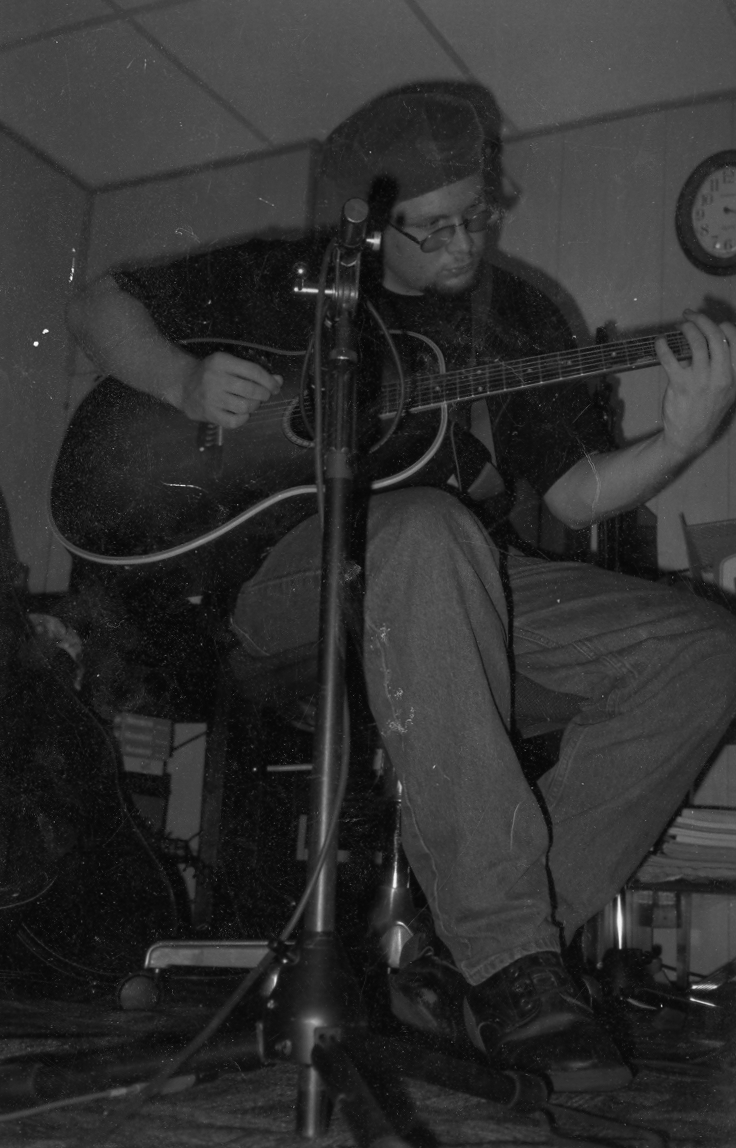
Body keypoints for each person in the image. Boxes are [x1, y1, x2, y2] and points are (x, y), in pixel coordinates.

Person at [65, 83, 736, 1093]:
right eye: (436, 227)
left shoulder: (516, 316)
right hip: (286, 577)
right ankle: (510, 960)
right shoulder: (290, 277)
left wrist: (681, 440)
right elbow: (95, 304)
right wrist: (182, 381)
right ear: (370, 225)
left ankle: (467, 959)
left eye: (479, 214)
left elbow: (573, 489)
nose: (467, 243)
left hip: (457, 572)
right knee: (425, 526)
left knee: (704, 651)